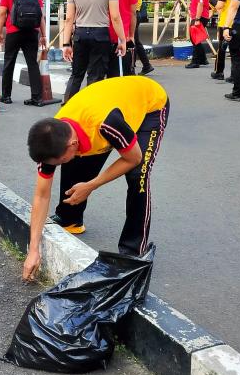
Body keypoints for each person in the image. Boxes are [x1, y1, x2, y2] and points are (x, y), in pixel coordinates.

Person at [22, 76, 169, 280]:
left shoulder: (107, 124)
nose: (54, 166)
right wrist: (33, 250)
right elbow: (41, 195)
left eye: (58, 160)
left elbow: (133, 158)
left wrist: (91, 185)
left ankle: (134, 252)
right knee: (72, 160)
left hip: (149, 106)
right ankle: (70, 218)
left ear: (73, 143)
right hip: (102, 108)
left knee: (138, 175)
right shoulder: (53, 137)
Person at [62, 0, 126, 103]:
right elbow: (115, 17)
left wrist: (66, 44)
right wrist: (122, 40)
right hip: (100, 35)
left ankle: (67, 109)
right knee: (95, 77)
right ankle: (90, 110)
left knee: (76, 74)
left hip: (80, 34)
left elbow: (69, 18)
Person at [0, 0, 47, 105]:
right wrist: (43, 35)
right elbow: (40, 15)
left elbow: (2, 13)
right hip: (32, 31)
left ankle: (6, 96)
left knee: (9, 62)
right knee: (32, 63)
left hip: (14, 31)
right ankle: (37, 97)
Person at [121, 0, 154, 76]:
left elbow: (130, 3)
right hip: (135, 14)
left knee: (133, 41)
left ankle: (141, 65)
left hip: (134, 15)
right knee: (135, 41)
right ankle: (144, 65)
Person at [211, 0, 240, 81]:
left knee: (222, 49)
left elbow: (220, 5)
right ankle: (235, 75)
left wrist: (214, 2)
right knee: (237, 51)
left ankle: (219, 72)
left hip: (226, 23)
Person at [185, 0, 211, 69]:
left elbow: (200, 4)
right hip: (199, 16)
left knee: (194, 38)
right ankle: (203, 59)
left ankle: (195, 61)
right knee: (196, 38)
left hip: (199, 17)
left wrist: (197, 19)